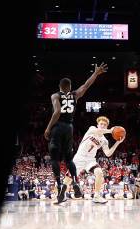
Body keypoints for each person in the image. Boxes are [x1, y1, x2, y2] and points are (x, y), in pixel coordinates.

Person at [43, 63, 108, 205]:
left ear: (60, 87)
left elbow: (57, 112)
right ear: (70, 87)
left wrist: (48, 128)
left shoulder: (55, 95)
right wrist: (96, 73)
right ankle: (64, 192)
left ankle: (89, 193)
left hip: (61, 129)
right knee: (69, 168)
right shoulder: (75, 96)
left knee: (56, 157)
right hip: (71, 134)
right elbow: (86, 85)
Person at [72, 116, 125, 204]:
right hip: (79, 157)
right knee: (68, 179)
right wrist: (111, 130)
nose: (102, 126)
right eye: (101, 124)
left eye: (105, 125)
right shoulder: (92, 129)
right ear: (97, 125)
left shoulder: (104, 140)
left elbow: (108, 153)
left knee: (99, 173)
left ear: (106, 127)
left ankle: (96, 196)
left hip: (90, 159)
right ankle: (59, 195)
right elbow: (99, 131)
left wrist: (117, 142)